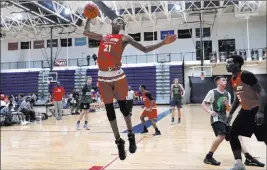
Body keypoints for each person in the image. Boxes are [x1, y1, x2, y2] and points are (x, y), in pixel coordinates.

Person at [83, 16, 176, 160]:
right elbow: (86, 32)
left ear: (123, 25)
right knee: (109, 112)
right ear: (112, 23)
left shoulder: (124, 37)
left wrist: (163, 43)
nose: (118, 21)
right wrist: (89, 18)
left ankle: (131, 135)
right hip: (102, 77)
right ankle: (119, 141)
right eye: (116, 19)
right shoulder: (104, 36)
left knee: (124, 108)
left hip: (118, 76)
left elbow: (144, 49)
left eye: (121, 20)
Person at [202, 76, 264, 167]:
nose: (225, 81)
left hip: (225, 118)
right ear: (218, 82)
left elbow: (229, 109)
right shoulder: (212, 92)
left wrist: (227, 105)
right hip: (216, 118)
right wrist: (210, 111)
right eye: (223, 80)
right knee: (222, 135)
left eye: (226, 80)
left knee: (237, 136)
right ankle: (208, 157)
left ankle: (248, 158)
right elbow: (203, 104)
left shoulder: (228, 94)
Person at [226, 55, 266, 170]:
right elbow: (237, 98)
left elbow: (262, 92)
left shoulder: (246, 75)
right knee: (232, 133)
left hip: (257, 110)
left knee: (264, 137)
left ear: (237, 64)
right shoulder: (232, 79)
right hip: (245, 112)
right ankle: (238, 164)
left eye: (229, 62)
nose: (226, 65)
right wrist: (231, 113)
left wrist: (261, 112)